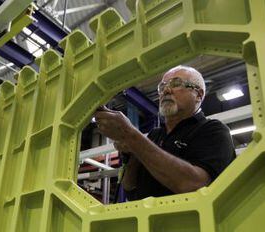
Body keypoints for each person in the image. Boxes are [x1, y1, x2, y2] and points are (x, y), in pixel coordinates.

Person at [94, 65, 236, 200]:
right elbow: (130, 188)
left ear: (198, 94)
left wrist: (131, 135)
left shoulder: (214, 130)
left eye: (176, 84)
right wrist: (131, 149)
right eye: (162, 87)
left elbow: (194, 185)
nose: (166, 90)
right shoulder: (155, 135)